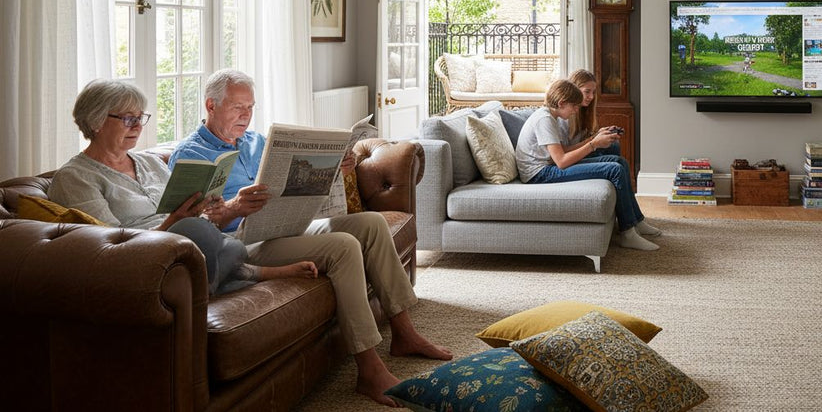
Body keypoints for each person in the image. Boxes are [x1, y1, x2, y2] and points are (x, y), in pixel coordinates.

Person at [169, 69, 450, 406]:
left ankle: (404, 332)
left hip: (284, 227)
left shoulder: (258, 142)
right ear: (210, 105)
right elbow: (190, 227)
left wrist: (333, 172)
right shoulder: (190, 155)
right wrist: (233, 208)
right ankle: (369, 368)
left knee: (372, 224)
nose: (246, 115)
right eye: (237, 107)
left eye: (251, 107)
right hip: (240, 244)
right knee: (343, 246)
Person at [47, 79, 317, 296]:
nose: (139, 126)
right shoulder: (75, 177)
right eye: (129, 119)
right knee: (200, 232)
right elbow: (110, 246)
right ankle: (227, 279)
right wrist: (173, 224)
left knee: (222, 240)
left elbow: (184, 210)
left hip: (188, 245)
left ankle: (223, 276)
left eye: (142, 118)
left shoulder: (148, 162)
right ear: (96, 120)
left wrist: (207, 208)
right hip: (146, 254)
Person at [515, 79, 661, 251]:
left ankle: (636, 220)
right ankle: (628, 233)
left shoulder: (550, 116)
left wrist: (594, 139)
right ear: (562, 103)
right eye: (574, 106)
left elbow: (564, 150)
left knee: (619, 162)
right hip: (539, 174)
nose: (577, 110)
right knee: (614, 169)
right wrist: (593, 145)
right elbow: (561, 162)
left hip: (548, 166)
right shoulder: (544, 120)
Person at [565, 69, 621, 159]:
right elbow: (562, 154)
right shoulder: (564, 115)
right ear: (574, 90)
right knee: (615, 164)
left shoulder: (583, 111)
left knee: (613, 144)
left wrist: (600, 134)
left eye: (593, 92)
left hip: (579, 153)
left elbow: (584, 141)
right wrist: (594, 140)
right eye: (587, 92)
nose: (591, 97)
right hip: (569, 158)